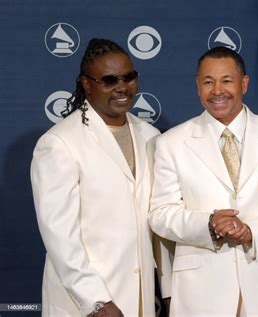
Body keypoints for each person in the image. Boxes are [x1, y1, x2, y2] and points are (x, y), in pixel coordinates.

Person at [148, 46, 258, 316]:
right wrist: (207, 224)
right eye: (208, 82)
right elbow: (160, 214)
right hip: (201, 292)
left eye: (226, 81)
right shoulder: (171, 143)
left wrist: (252, 231)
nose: (217, 91)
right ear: (198, 86)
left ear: (244, 84)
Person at [31, 38, 160, 317]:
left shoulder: (151, 137)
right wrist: (96, 300)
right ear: (87, 84)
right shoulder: (59, 143)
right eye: (109, 80)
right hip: (89, 304)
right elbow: (60, 236)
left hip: (141, 297)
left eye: (129, 77)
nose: (122, 87)